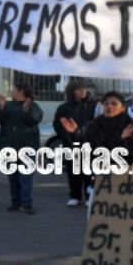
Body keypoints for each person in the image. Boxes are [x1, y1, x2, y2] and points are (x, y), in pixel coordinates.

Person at [61, 91, 133, 192]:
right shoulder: (93, 125)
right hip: (100, 177)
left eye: (114, 103)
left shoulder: (131, 125)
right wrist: (75, 134)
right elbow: (86, 148)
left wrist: (127, 139)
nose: (109, 106)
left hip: (126, 176)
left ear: (123, 107)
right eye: (106, 103)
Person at [0, 82, 43, 214]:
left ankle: (26, 204)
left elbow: (35, 119)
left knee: (25, 178)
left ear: (21, 91)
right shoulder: (7, 105)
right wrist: (1, 107)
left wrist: (27, 111)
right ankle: (15, 202)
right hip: (9, 146)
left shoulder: (33, 105)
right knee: (12, 177)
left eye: (14, 89)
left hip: (27, 147)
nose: (12, 91)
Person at [53, 79, 99, 207]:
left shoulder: (94, 105)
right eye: (79, 89)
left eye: (84, 88)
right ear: (72, 91)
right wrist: (67, 138)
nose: (83, 91)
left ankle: (90, 196)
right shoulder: (63, 108)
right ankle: (75, 196)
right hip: (71, 144)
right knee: (73, 171)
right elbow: (58, 125)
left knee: (89, 171)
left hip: (89, 144)